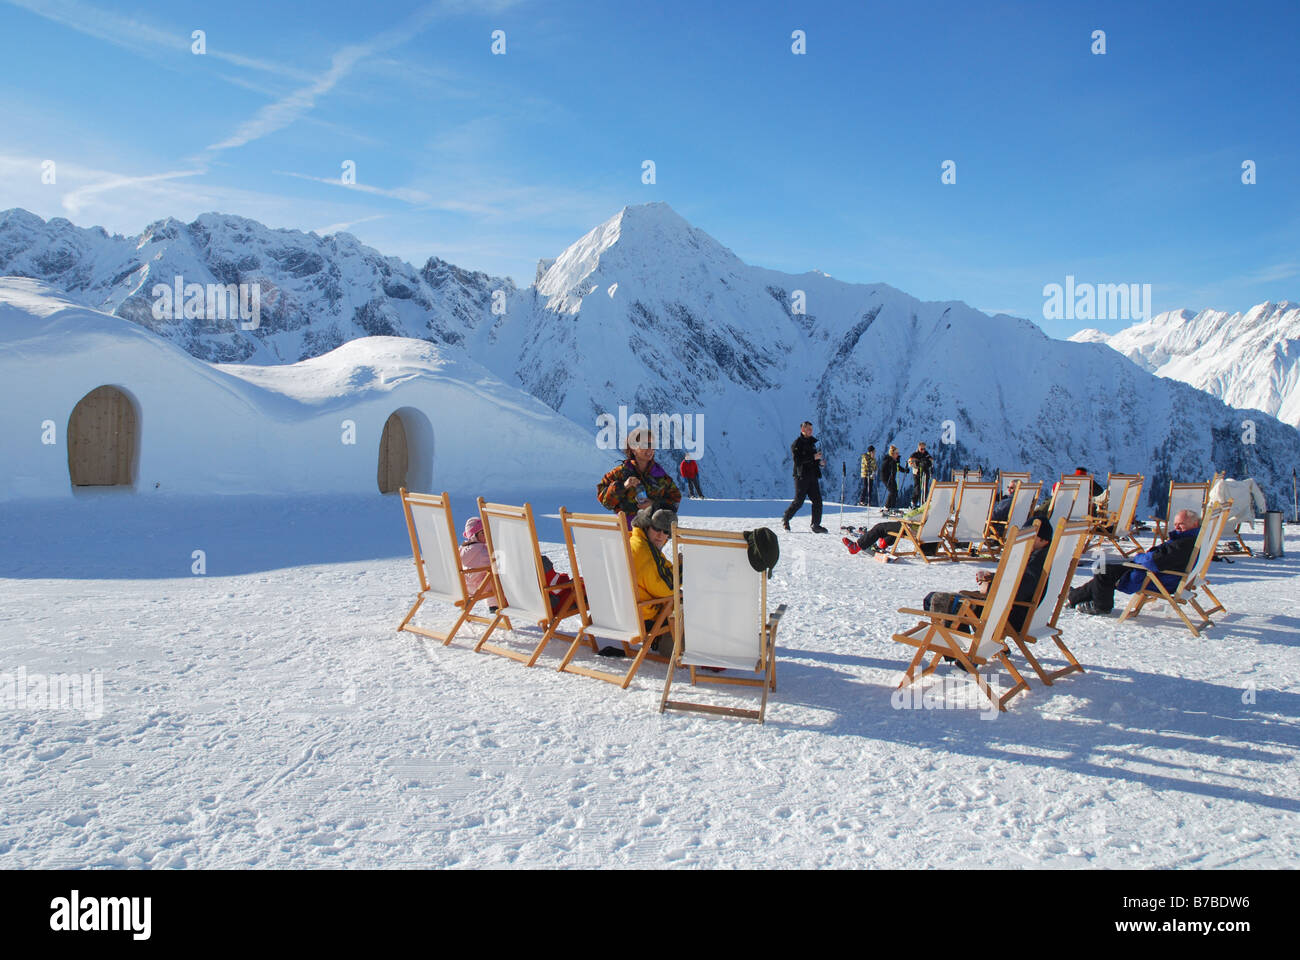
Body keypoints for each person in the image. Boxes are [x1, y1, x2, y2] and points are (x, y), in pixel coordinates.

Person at [1067, 509, 1201, 614]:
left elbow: (1152, 562)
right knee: (1107, 571)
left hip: (1154, 578)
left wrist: (1139, 557)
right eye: (1176, 524)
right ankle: (1074, 596)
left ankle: (1102, 606)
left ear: (1194, 524)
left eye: (1181, 524)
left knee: (1104, 571)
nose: (1177, 527)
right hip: (1162, 575)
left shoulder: (1182, 544)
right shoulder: (1192, 539)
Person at [623, 505, 678, 658]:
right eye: (657, 528)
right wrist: (683, 570)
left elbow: (656, 571)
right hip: (643, 617)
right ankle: (670, 647)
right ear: (646, 525)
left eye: (666, 532)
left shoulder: (632, 541)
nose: (661, 535)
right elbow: (667, 588)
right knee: (682, 602)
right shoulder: (645, 552)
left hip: (621, 612)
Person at [597, 428, 682, 525]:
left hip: (653, 533)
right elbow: (606, 502)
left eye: (652, 445)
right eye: (645, 445)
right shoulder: (620, 473)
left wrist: (654, 504)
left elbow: (675, 501)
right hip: (626, 532)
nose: (650, 449)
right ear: (633, 449)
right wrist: (623, 486)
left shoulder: (660, 475)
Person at [782, 421, 828, 533]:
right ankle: (786, 519)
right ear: (802, 430)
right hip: (801, 476)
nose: (811, 431)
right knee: (799, 501)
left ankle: (815, 525)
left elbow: (812, 460)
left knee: (817, 500)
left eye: (811, 429)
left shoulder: (812, 443)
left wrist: (819, 463)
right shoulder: (797, 444)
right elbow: (798, 461)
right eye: (808, 429)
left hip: (812, 475)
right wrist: (813, 457)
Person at [459, 516, 492, 603]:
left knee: (487, 575)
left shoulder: (463, 549)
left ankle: (493, 605)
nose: (486, 536)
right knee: (496, 576)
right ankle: (494, 605)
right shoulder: (480, 550)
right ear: (474, 535)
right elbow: (493, 562)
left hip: (465, 586)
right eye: (482, 533)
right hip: (479, 588)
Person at [907, 442, 933, 508]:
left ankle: (924, 501)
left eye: (924, 449)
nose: (923, 450)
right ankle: (914, 502)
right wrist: (917, 464)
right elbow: (910, 463)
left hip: (925, 473)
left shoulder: (926, 454)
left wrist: (927, 463)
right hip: (917, 473)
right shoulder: (915, 454)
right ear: (918, 448)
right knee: (917, 488)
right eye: (921, 449)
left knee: (925, 487)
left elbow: (931, 461)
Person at [879, 445, 901, 512]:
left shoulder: (894, 460)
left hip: (891, 477)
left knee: (895, 491)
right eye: (896, 453)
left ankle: (892, 507)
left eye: (898, 453)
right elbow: (886, 468)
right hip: (886, 478)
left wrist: (904, 470)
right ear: (893, 453)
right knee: (892, 491)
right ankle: (887, 507)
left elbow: (897, 467)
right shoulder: (888, 459)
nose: (898, 454)